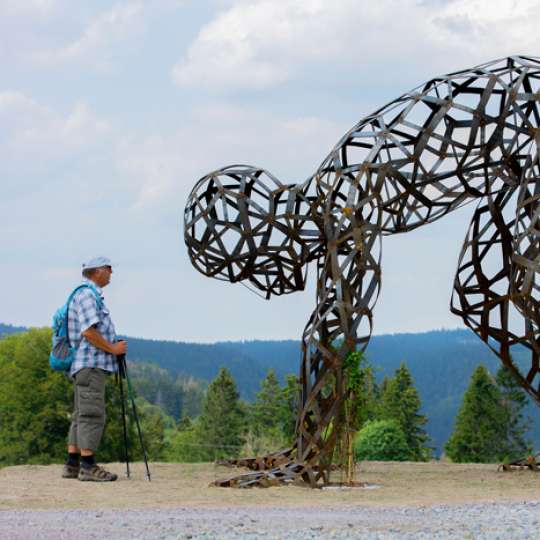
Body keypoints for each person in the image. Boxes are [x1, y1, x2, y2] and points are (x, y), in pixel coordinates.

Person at [61, 256, 127, 481]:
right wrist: (113, 349)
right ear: (97, 271)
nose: (111, 273)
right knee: (92, 414)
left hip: (83, 367)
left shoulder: (83, 294)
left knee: (80, 414)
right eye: (109, 268)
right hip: (91, 364)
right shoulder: (89, 295)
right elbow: (88, 332)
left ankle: (72, 463)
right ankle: (88, 466)